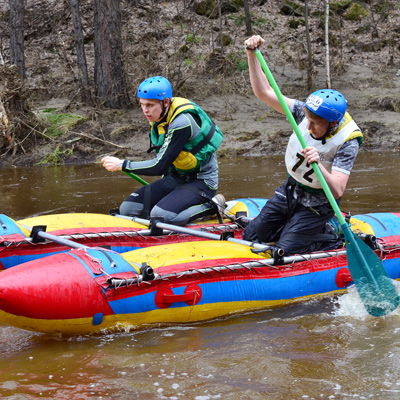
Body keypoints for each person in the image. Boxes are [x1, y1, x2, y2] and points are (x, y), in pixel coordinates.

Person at [242, 35, 363, 255]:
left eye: (316, 124)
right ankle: (292, 227)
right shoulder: (304, 113)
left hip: (319, 204)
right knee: (251, 236)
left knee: (284, 250)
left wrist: (320, 163)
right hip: (292, 190)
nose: (309, 128)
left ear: (333, 123)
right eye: (309, 121)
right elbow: (264, 92)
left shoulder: (348, 140)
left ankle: (330, 232)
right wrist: (252, 55)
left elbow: (337, 188)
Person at [101, 76, 224, 226]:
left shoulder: (182, 123)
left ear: (166, 102)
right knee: (127, 209)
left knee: (160, 217)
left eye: (150, 105)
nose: (145, 110)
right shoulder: (160, 116)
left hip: (201, 182)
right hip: (175, 178)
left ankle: (213, 205)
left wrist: (123, 165)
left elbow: (159, 166)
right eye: (142, 105)